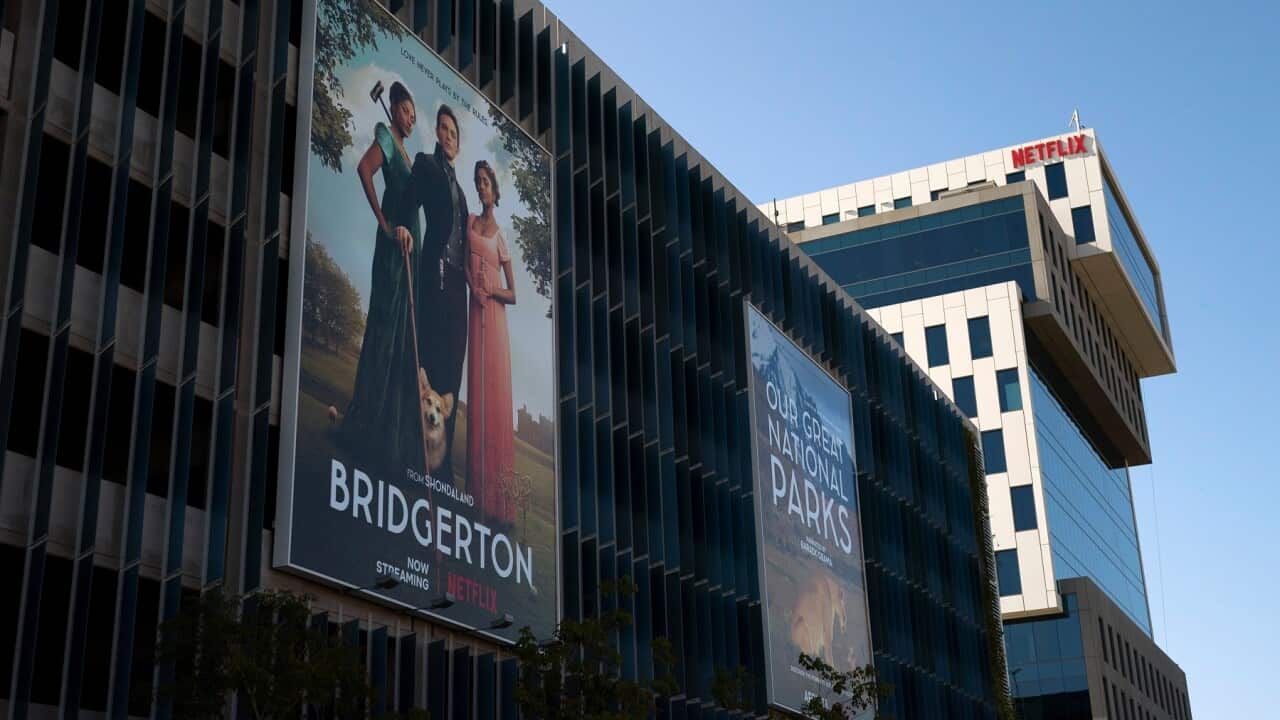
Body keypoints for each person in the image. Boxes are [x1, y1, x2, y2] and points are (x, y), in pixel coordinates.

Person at [339, 81, 423, 471]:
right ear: (394, 106)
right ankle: (368, 429)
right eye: (407, 110)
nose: (412, 117)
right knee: (386, 333)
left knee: (402, 338)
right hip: (393, 255)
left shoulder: (403, 148)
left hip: (410, 253)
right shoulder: (387, 139)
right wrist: (387, 223)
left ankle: (389, 435)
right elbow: (364, 170)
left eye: (413, 113)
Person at [409, 105, 470, 483]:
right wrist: (401, 228)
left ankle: (441, 463)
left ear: (458, 145)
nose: (447, 135)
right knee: (428, 361)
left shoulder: (462, 193)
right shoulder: (426, 165)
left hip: (458, 293)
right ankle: (417, 453)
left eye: (453, 132)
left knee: (452, 369)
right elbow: (406, 204)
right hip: (434, 277)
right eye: (443, 128)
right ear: (435, 131)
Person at [465, 161, 517, 525]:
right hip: (474, 309)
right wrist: (473, 286)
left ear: (495, 193)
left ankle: (497, 505)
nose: (482, 187)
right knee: (477, 395)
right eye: (478, 182)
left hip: (495, 317)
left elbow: (514, 293)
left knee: (495, 398)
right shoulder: (469, 222)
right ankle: (473, 494)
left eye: (486, 183)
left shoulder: (500, 235)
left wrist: (491, 290)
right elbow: (466, 264)